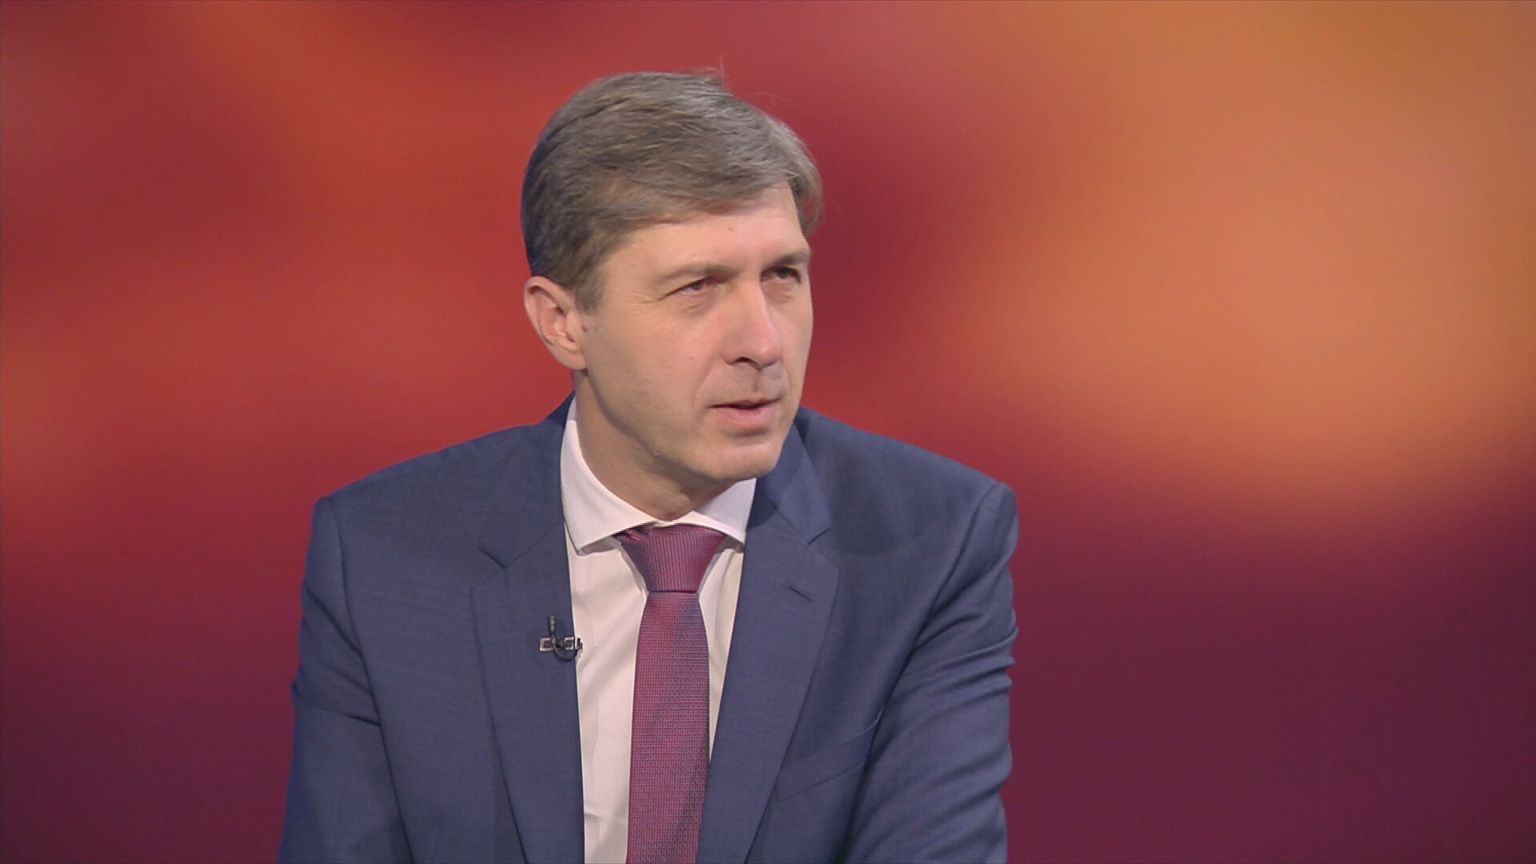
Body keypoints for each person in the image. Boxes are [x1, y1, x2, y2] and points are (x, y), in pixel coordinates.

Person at [279, 71, 1017, 864]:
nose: (763, 343)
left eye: (783, 276)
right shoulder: (384, 557)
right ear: (563, 323)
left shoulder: (931, 541)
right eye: (697, 287)